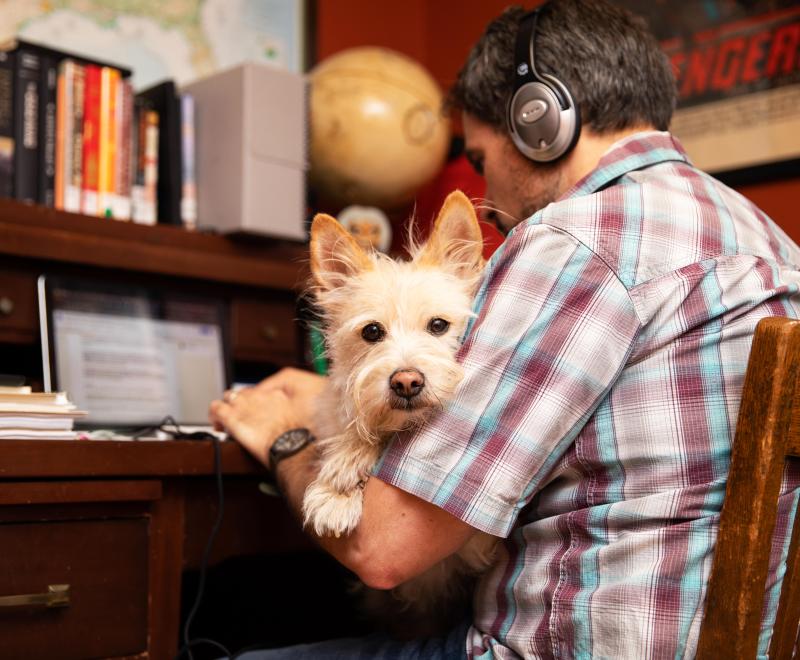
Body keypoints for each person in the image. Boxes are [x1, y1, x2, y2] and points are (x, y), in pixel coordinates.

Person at [210, 1, 800, 658]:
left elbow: (385, 548)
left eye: (482, 159)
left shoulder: (575, 244)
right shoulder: (771, 243)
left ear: (539, 120)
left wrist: (283, 438)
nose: (494, 201)